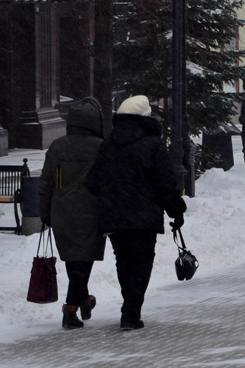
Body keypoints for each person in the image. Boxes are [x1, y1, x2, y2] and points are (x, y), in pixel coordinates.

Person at [84, 95, 187, 332]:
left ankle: (129, 307)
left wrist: (112, 196)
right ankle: (131, 313)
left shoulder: (108, 144)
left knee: (124, 262)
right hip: (143, 218)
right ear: (144, 118)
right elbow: (163, 182)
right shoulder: (153, 145)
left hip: (115, 217)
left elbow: (93, 181)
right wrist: (176, 209)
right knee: (141, 263)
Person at [38, 97, 105, 329]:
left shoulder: (58, 147)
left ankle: (84, 300)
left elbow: (46, 183)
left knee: (73, 262)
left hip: (63, 214)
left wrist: (44, 212)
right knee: (83, 263)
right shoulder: (101, 147)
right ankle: (70, 308)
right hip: (92, 214)